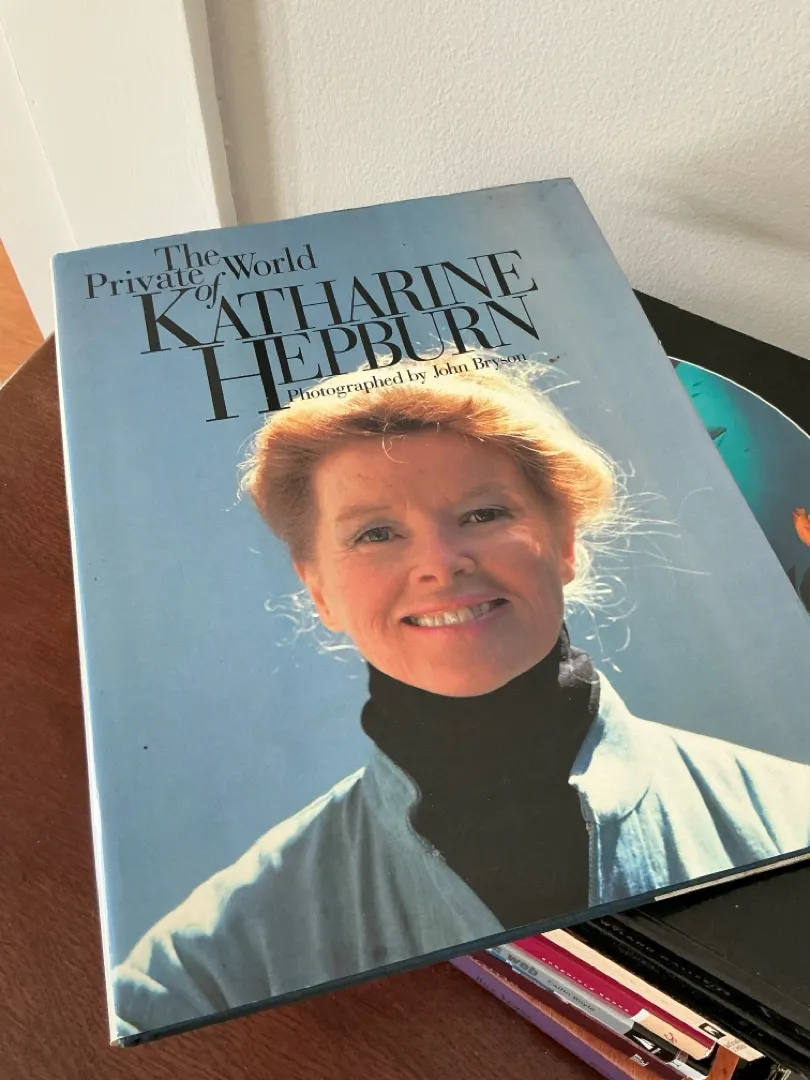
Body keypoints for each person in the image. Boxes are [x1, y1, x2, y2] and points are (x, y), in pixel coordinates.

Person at [114, 359, 810, 1040]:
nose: (441, 563)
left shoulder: (791, 811)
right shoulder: (197, 971)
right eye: (375, 533)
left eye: (482, 513)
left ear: (564, 542)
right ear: (318, 588)